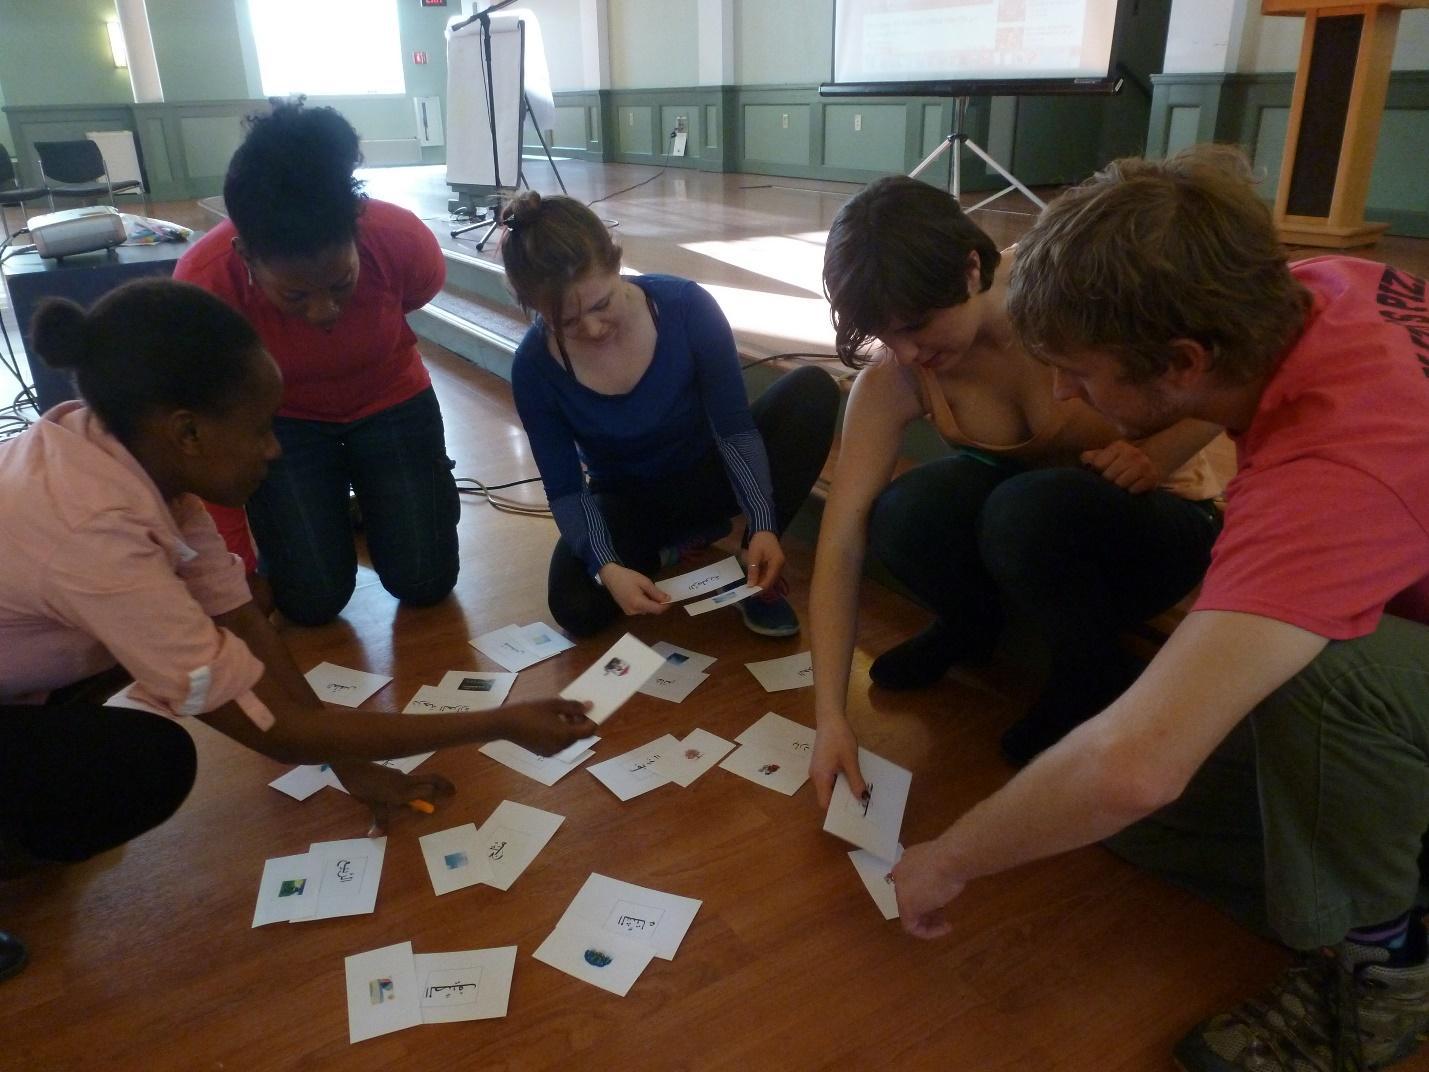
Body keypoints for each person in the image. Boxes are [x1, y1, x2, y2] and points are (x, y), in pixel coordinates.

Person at [886, 145, 1429, 1071]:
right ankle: (1370, 864)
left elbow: (1134, 767)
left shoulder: (1331, 471)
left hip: (1388, 642)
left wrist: (948, 858)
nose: (1061, 395)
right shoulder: (1320, 285)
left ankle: (1384, 973)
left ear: (1180, 362)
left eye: (1079, 372)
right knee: (1131, 817)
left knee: (1313, 688)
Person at [0, 280, 597, 981]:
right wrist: (498, 723)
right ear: (187, 430)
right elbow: (277, 732)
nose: (276, 450)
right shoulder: (93, 530)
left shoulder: (126, 452)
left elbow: (239, 619)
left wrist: (351, 763)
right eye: (259, 428)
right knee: (147, 761)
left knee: (160, 654)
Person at [809, 175, 1225, 772]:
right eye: (884, 332)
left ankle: (1093, 675)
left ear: (971, 269)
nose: (904, 352)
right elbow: (841, 537)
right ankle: (972, 625)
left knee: (1024, 512)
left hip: (1161, 522)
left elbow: (1235, 370)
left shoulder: (1074, 289)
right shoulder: (899, 371)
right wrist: (831, 717)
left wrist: (1160, 452)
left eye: (917, 324)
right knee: (904, 511)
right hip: (1038, 524)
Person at [498, 192, 840, 638]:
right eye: (568, 322)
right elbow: (565, 490)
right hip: (629, 501)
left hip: (709, 474)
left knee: (812, 390)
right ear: (536, 309)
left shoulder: (685, 307)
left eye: (602, 304)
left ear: (616, 264)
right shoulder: (533, 368)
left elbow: (734, 431)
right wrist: (606, 567)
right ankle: (671, 548)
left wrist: (763, 523)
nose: (594, 329)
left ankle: (752, 566)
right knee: (575, 606)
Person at [174, 100, 459, 627]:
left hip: (392, 401)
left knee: (425, 582)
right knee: (310, 602)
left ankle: (375, 505)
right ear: (245, 255)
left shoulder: (400, 240)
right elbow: (206, 451)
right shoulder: (205, 283)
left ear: (357, 232)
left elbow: (420, 292)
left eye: (340, 285)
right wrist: (234, 570)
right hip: (282, 425)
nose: (323, 312)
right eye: (295, 295)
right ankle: (348, 511)